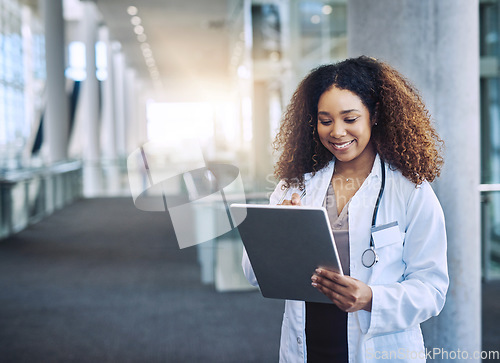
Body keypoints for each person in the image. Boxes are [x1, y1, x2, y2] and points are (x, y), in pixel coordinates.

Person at [242, 56, 449, 363]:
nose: (337, 132)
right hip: (307, 345)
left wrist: (371, 298)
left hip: (377, 349)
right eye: (326, 121)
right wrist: (278, 233)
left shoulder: (410, 190)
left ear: (374, 115)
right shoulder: (296, 186)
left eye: (350, 119)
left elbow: (432, 289)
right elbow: (254, 274)